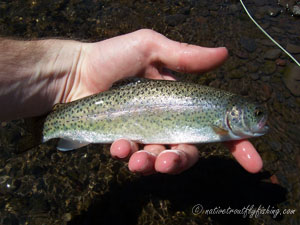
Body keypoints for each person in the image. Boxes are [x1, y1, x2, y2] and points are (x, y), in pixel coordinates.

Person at [0, 29, 262, 175]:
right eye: (256, 113)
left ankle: (43, 127)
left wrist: (71, 66)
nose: (260, 118)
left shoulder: (222, 114)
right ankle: (44, 128)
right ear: (235, 114)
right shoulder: (222, 119)